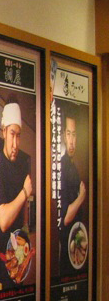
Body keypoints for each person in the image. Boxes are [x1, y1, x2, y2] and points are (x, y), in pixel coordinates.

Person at [0, 102, 33, 289]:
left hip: (21, 254)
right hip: (4, 256)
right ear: (3, 132)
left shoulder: (23, 162)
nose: (16, 144)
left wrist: (26, 232)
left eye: (19, 136)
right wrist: (25, 192)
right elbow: (3, 221)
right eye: (12, 135)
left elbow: (24, 210)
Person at [59, 115, 87, 274]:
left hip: (77, 248)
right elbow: (66, 217)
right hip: (67, 250)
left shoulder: (74, 167)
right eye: (68, 133)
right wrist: (81, 196)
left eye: (74, 134)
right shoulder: (62, 166)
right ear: (63, 135)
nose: (71, 140)